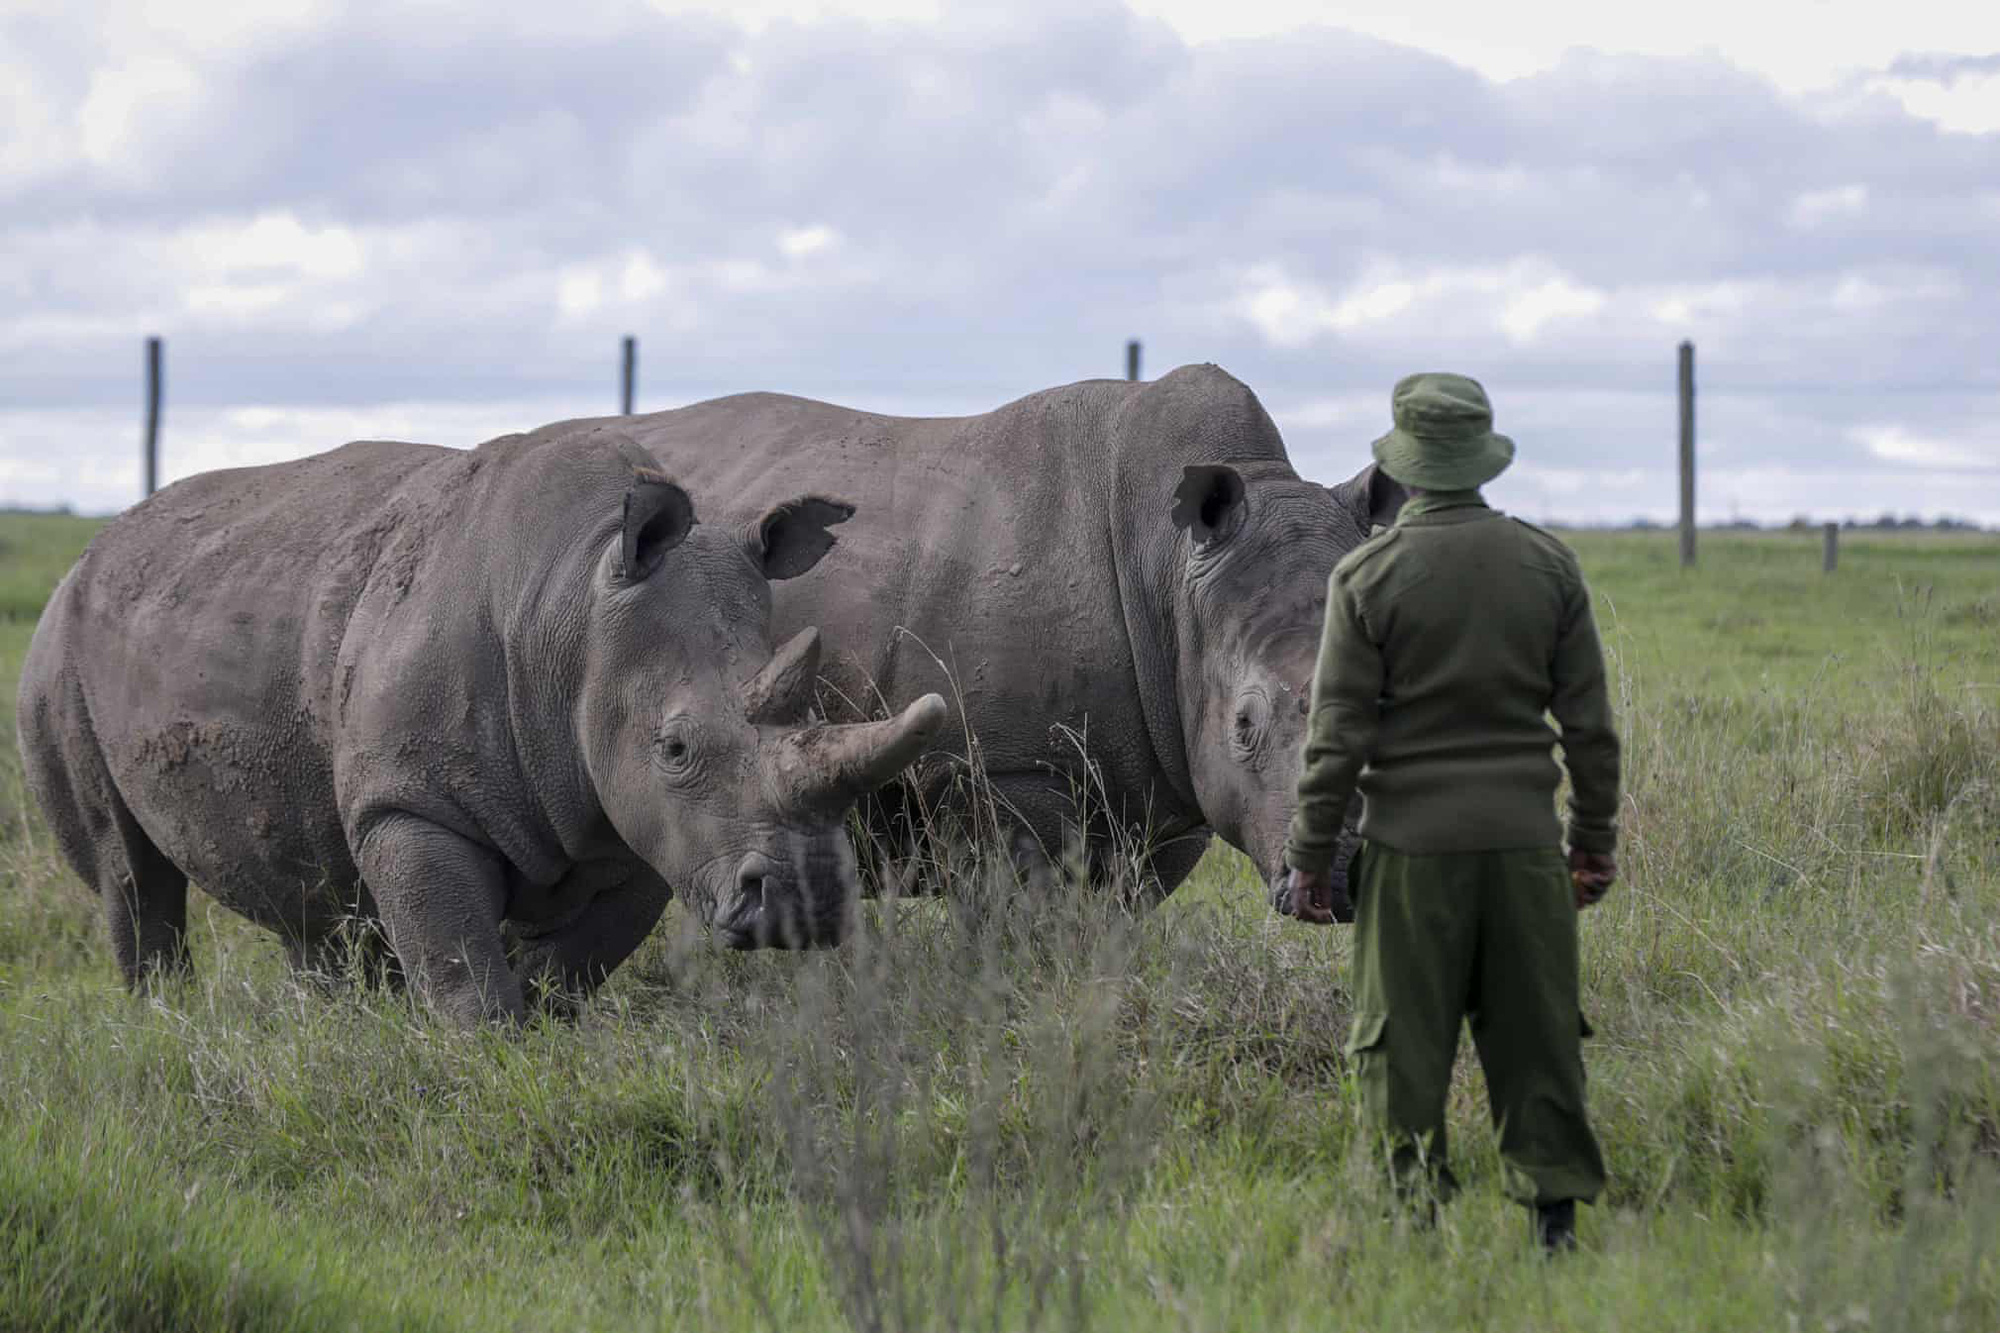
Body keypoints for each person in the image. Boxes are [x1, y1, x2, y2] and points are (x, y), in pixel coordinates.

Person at [1280, 371, 1620, 1252]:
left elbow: (1336, 737)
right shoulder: (1550, 567)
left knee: (1402, 1047)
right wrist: (1590, 845)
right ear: (1481, 461)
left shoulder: (1366, 575)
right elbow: (1589, 730)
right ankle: (1553, 1226)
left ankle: (1415, 1224)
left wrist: (1310, 858)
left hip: (1407, 853)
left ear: (1404, 466)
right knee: (1537, 1038)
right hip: (1523, 849)